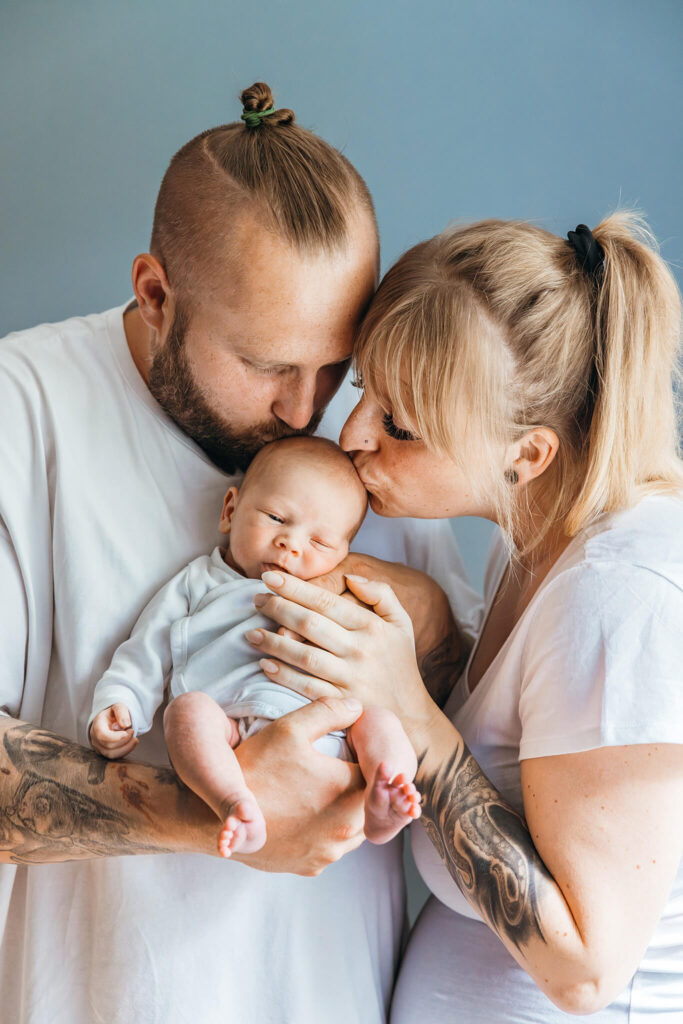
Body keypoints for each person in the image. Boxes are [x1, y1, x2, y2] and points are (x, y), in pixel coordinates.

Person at [0, 83, 479, 1023]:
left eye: (333, 365)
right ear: (155, 293)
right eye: (267, 366)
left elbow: (460, 701)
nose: (310, 414)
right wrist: (217, 812)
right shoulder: (25, 412)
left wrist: (418, 617)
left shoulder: (368, 428)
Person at [245, 213, 683, 1020]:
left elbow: (584, 971)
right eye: (363, 392)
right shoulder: (532, 548)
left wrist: (408, 705)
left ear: (526, 456)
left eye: (399, 424)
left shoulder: (621, 594)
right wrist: (440, 641)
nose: (351, 436)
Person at [89, 436, 421, 857]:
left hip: (330, 732)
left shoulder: (336, 595)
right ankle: (234, 802)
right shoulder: (200, 582)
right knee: (186, 713)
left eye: (319, 543)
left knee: (378, 721)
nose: (291, 543)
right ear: (231, 510)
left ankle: (386, 790)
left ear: (342, 555)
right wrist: (121, 702)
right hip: (228, 732)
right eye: (276, 517)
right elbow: (148, 647)